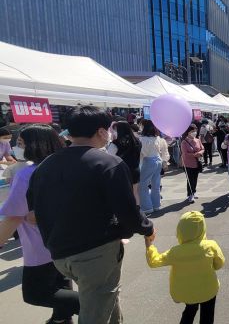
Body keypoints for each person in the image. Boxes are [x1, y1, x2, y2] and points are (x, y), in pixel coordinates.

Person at [27, 106, 154, 324]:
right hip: (95, 252)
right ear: (101, 132)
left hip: (58, 251)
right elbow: (127, 211)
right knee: (96, 312)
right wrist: (147, 228)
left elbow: (33, 212)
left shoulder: (45, 165)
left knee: (106, 300)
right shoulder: (107, 163)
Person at [0, 125, 79, 324]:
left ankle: (94, 302)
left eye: (20, 144)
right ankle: (61, 318)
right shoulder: (65, 166)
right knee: (60, 283)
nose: (15, 148)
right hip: (67, 242)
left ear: (35, 145)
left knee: (36, 293)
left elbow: (13, 216)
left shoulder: (26, 174)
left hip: (39, 246)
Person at [145, 211, 225, 324]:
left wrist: (148, 243)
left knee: (189, 311)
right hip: (208, 290)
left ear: (180, 231)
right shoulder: (211, 246)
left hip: (188, 292)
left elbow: (154, 261)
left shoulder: (175, 252)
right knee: (207, 314)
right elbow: (219, 264)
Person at [108, 121, 142, 204]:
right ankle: (137, 212)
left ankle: (127, 213)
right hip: (135, 169)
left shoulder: (115, 143)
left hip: (121, 171)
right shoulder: (137, 141)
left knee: (123, 193)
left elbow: (109, 156)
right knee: (135, 192)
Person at [138, 120, 164, 214]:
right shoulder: (156, 137)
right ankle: (156, 205)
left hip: (148, 160)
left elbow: (142, 153)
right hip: (158, 159)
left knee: (143, 185)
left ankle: (147, 207)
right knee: (156, 184)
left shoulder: (142, 139)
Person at [181, 125, 204, 203]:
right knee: (190, 180)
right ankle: (190, 194)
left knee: (195, 179)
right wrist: (195, 155)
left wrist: (200, 153)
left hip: (197, 163)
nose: (194, 133)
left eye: (195, 131)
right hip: (188, 164)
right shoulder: (184, 142)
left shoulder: (198, 140)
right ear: (188, 132)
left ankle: (194, 192)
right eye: (192, 131)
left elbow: (202, 148)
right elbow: (185, 153)